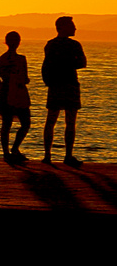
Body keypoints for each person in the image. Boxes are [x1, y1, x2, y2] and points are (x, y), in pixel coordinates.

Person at [42, 16, 88, 167]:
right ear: (63, 27)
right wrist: (68, 64)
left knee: (53, 120)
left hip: (57, 85)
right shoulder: (73, 45)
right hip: (67, 85)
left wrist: (50, 80)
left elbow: (46, 66)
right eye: (72, 26)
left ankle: (49, 155)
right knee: (67, 121)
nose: (75, 28)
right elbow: (82, 62)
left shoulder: (51, 45)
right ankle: (66, 155)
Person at [0, 32, 31, 164]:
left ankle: (8, 152)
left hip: (8, 92)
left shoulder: (3, 58)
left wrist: (3, 88)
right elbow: (25, 78)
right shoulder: (20, 59)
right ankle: (13, 150)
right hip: (17, 92)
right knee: (24, 123)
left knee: (7, 125)